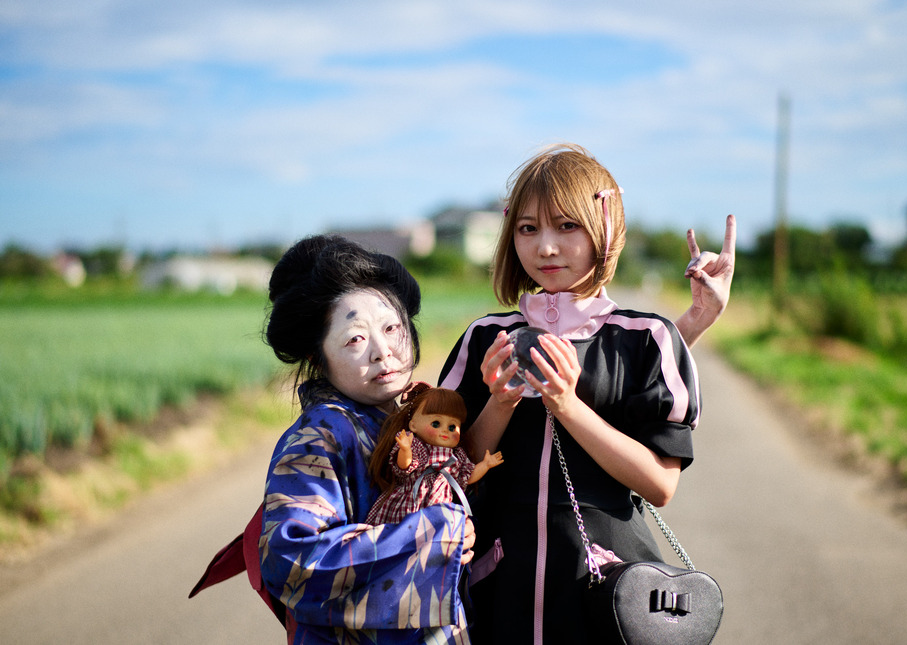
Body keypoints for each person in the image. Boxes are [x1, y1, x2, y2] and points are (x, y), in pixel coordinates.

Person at [437, 143, 736, 644]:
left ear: (606, 229)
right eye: (528, 228)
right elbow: (452, 470)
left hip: (605, 595)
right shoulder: (484, 337)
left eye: (566, 226)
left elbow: (660, 485)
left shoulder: (648, 337)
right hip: (500, 586)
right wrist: (500, 402)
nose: (545, 247)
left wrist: (568, 407)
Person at [191, 235, 474, 645]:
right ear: (316, 357)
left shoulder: (403, 422)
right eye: (355, 339)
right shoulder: (318, 438)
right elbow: (294, 563)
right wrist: (435, 537)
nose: (383, 351)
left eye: (392, 327)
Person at [365, 383, 504, 525]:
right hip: (411, 502)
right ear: (413, 425)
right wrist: (405, 450)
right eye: (436, 424)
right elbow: (404, 467)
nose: (445, 431)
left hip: (441, 507)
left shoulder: (456, 456)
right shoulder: (416, 446)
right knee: (403, 533)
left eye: (452, 427)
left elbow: (467, 477)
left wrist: (485, 464)